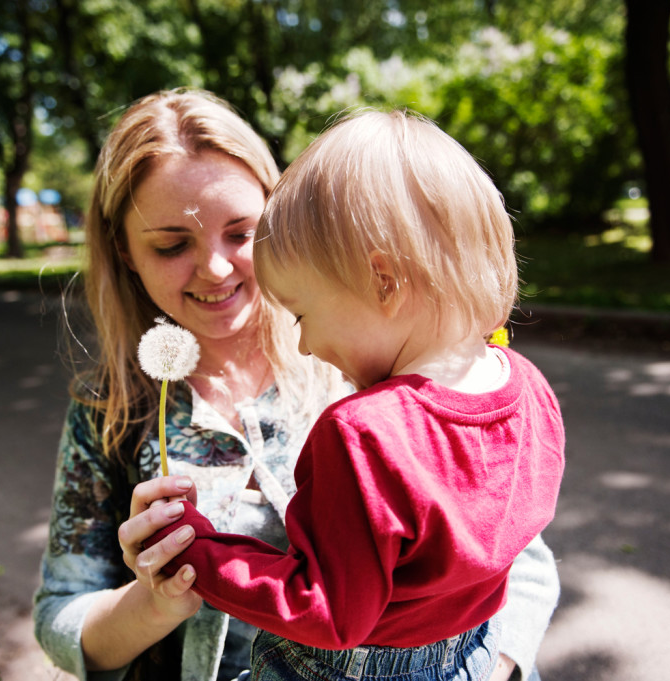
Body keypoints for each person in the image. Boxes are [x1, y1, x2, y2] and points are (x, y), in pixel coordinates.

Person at [32, 89, 561, 681]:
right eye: (172, 244)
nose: (215, 267)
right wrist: (156, 599)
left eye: (241, 232)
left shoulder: (367, 363)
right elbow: (61, 618)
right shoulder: (112, 413)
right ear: (126, 252)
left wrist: (487, 665)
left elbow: (520, 556)